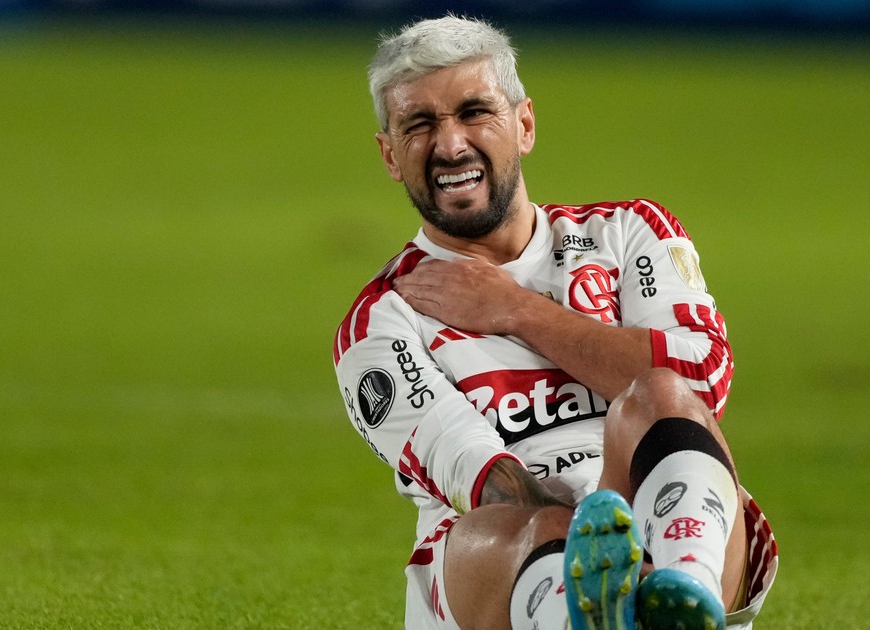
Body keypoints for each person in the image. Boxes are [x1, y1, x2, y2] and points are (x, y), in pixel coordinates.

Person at [333, 15, 777, 630]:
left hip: (663, 525)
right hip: (511, 568)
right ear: (390, 154)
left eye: (474, 112)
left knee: (661, 391)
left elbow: (703, 384)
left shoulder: (627, 233)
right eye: (420, 124)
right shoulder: (383, 317)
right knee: (518, 523)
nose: (451, 145)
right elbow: (480, 479)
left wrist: (518, 310)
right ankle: (601, 609)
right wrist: (599, 557)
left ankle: (680, 595)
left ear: (524, 125)